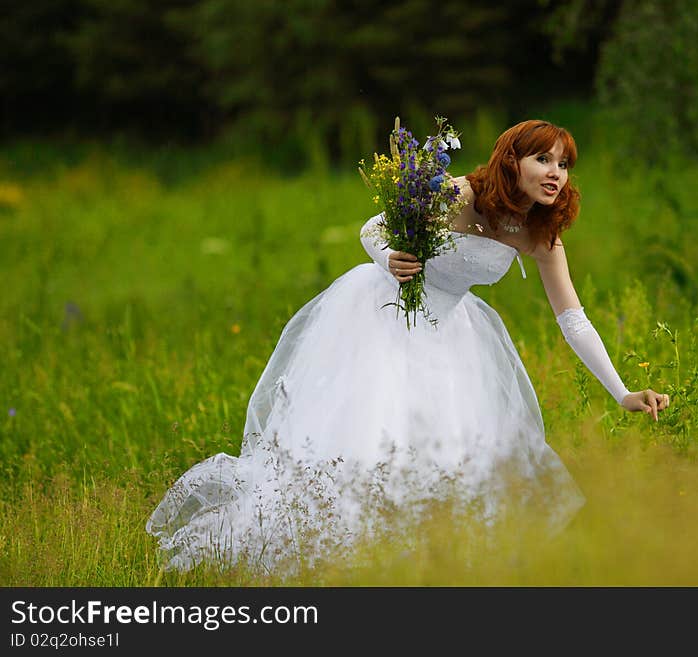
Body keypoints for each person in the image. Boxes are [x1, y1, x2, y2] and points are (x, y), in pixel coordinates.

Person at [146, 119, 670, 573]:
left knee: (453, 444)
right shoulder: (456, 193)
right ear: (511, 161)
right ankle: (338, 546)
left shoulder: (540, 233)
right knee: (372, 430)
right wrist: (390, 256)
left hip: (450, 333)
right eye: (542, 159)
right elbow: (374, 228)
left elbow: (573, 320)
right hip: (384, 314)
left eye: (564, 163)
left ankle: (432, 562)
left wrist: (622, 393)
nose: (556, 172)